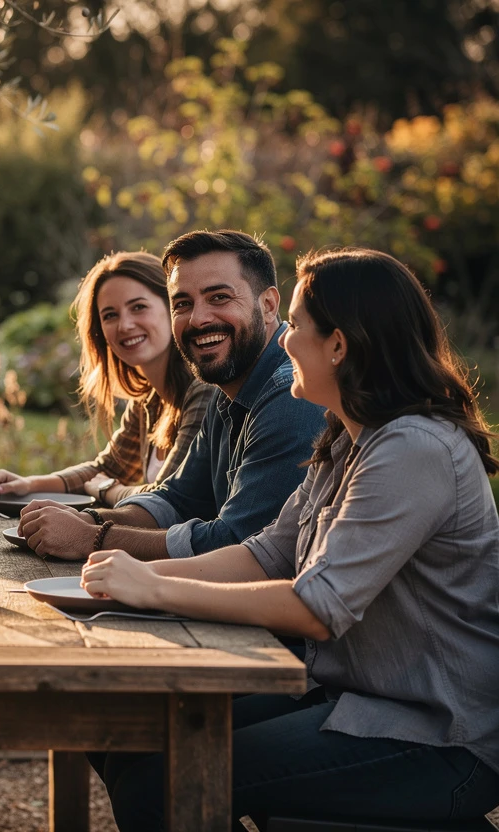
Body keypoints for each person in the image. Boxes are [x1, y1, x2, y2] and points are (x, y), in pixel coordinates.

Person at [80, 248, 499, 829]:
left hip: (435, 739)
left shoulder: (413, 450)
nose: (283, 341)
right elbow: (268, 554)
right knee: (128, 734)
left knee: (162, 785)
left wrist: (152, 588)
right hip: (354, 699)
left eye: (296, 325)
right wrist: (119, 578)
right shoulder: (349, 439)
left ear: (339, 344)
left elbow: (315, 606)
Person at [18, 230, 325, 562]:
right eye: (182, 303)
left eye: (219, 297)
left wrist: (92, 537)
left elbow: (239, 544)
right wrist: (86, 519)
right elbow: (176, 500)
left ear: (268, 305)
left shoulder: (289, 394)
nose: (198, 319)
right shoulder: (227, 391)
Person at [0, 251, 211, 506]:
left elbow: (165, 498)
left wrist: (107, 490)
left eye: (138, 307)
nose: (124, 325)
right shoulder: (149, 399)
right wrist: (30, 484)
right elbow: (109, 468)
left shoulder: (203, 391)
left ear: (172, 308)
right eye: (110, 315)